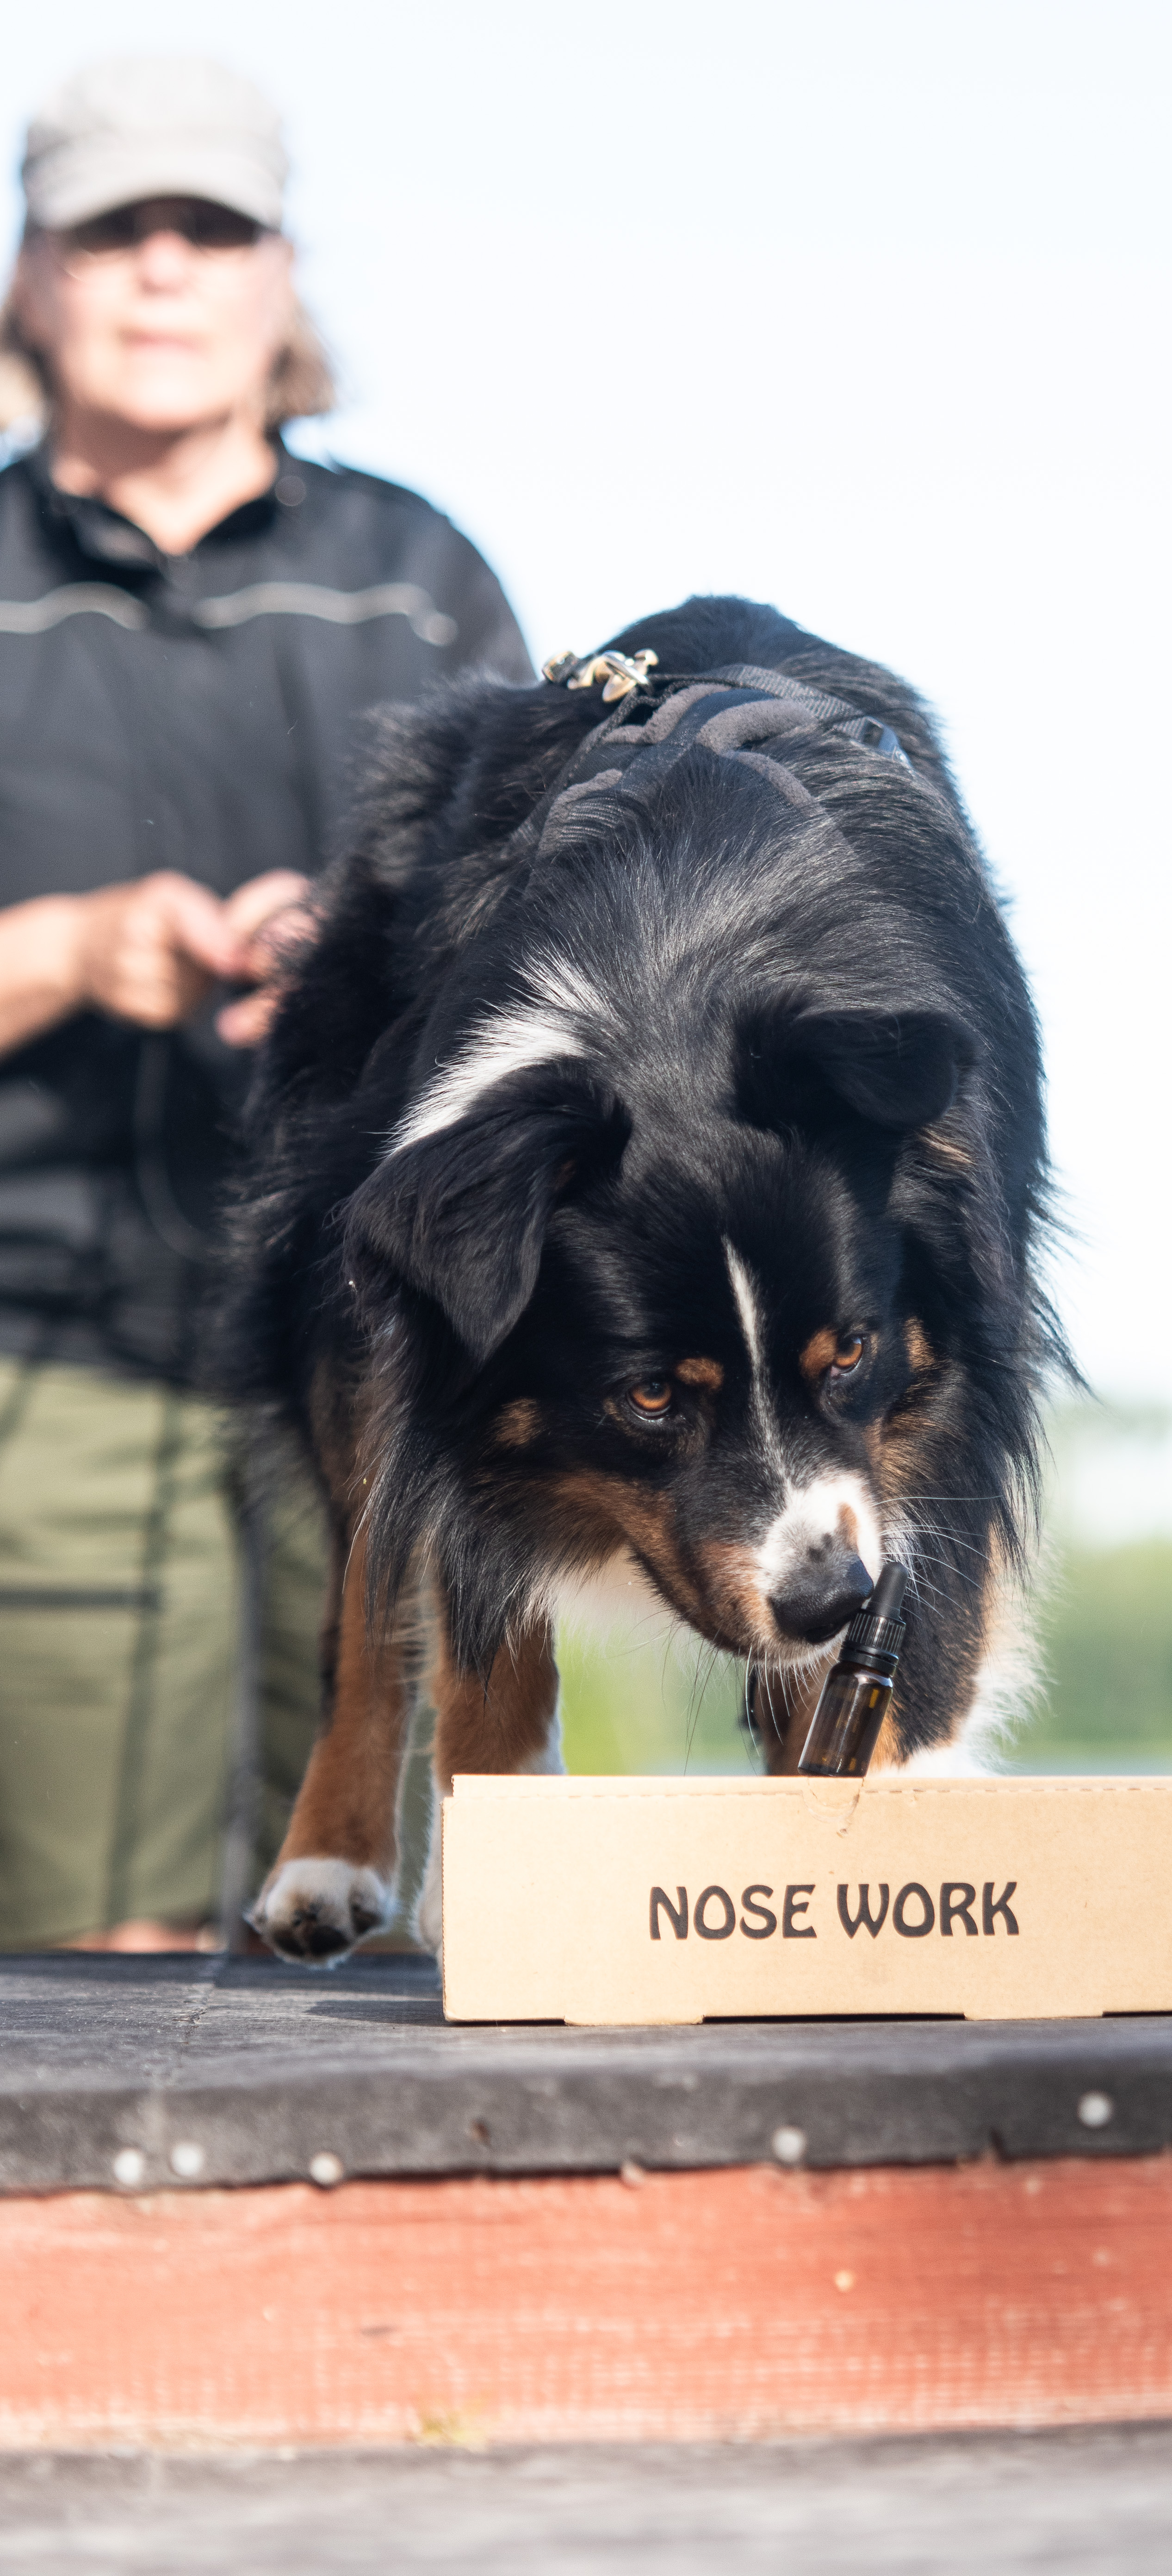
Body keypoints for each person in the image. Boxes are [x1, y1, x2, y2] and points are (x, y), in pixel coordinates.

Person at [0, 58, 532, 1950]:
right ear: (33, 274)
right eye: (110, 230)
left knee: (400, 1953)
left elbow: (548, 958)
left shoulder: (422, 577)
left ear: (281, 278)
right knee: (91, 1964)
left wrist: (363, 950)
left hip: (390, 1363)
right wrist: (68, 954)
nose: (162, 271)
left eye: (209, 228)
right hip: (50, 1371)